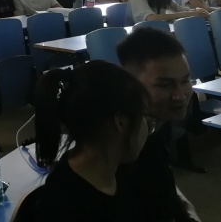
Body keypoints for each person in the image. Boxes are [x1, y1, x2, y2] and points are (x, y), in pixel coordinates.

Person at [30, 61, 152, 222]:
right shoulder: (68, 206)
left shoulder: (115, 172)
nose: (147, 128)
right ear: (120, 122)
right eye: (144, 118)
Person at [116, 28, 200, 222]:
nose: (180, 95)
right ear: (130, 85)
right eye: (164, 85)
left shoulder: (155, 126)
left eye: (185, 80)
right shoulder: (126, 152)